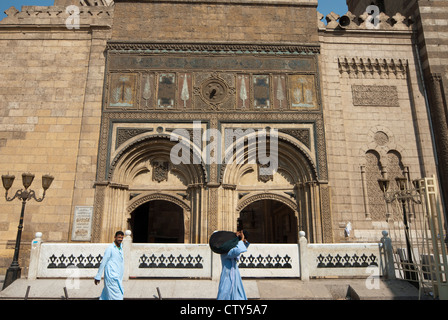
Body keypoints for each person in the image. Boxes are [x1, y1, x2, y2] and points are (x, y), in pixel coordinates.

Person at [217, 230, 250, 300]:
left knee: (238, 294)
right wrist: (240, 240)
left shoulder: (230, 250)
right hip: (227, 276)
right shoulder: (226, 252)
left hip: (234, 275)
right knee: (225, 294)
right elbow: (238, 250)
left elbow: (242, 248)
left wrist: (242, 240)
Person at [94, 231, 125, 300]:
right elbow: (103, 262)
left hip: (118, 276)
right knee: (117, 297)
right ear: (115, 237)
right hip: (111, 276)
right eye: (119, 237)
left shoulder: (121, 247)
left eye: (122, 238)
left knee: (106, 296)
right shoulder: (110, 248)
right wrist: (98, 276)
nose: (120, 239)